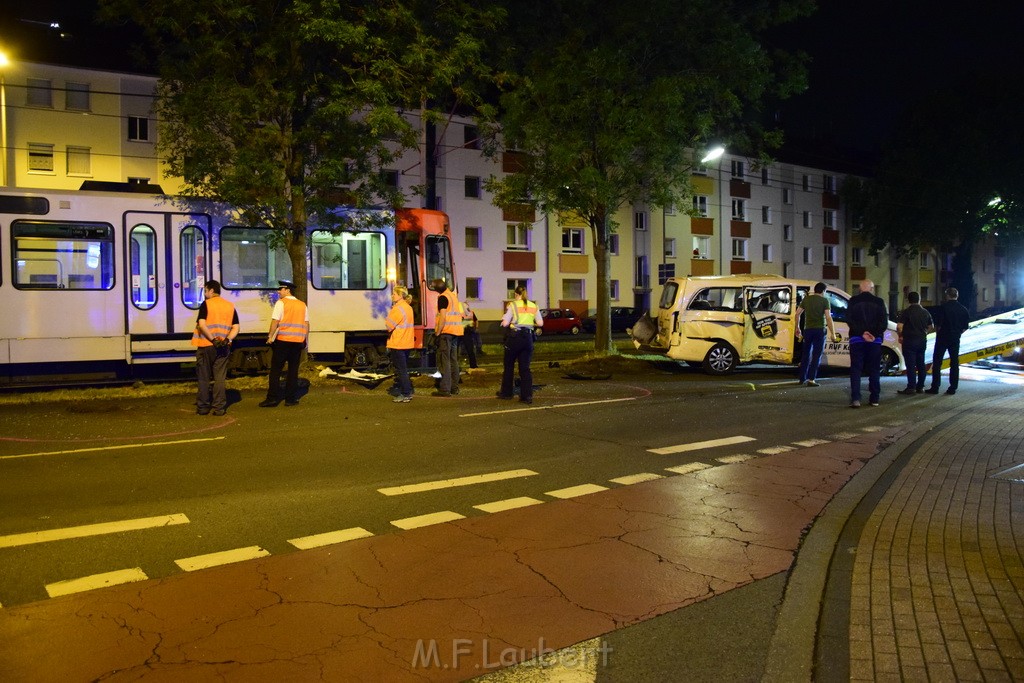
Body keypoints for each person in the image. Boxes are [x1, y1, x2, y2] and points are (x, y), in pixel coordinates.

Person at [191, 280, 239, 415]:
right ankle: (219, 408)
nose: (205, 294)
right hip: (223, 347)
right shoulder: (230, 306)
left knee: (204, 378)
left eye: (205, 291)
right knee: (219, 378)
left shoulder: (206, 304)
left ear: (211, 291)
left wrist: (212, 339)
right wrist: (227, 339)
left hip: (206, 345)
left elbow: (201, 324)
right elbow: (236, 327)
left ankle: (203, 407)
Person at [260, 280, 309, 407]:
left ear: (288, 290)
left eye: (281, 289)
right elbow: (306, 324)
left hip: (283, 342)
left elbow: (275, 321)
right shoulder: (302, 305)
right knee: (293, 372)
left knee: (275, 371)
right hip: (297, 343)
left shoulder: (281, 303)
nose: (278, 291)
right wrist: (305, 341)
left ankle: (272, 399)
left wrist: (270, 336)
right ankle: (290, 399)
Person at [497, 286, 544, 404]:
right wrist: (528, 323)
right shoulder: (533, 306)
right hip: (528, 337)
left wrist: (504, 322)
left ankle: (507, 393)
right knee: (525, 368)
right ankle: (527, 396)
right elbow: (540, 323)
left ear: (516, 295)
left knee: (509, 366)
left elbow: (506, 322)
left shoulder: (513, 305)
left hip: (514, 337)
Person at [846, 279, 888, 408]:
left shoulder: (853, 301)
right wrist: (873, 334)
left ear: (860, 288)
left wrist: (861, 333)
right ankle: (874, 398)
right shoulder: (879, 302)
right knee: (874, 369)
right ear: (872, 289)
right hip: (874, 341)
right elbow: (883, 323)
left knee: (856, 369)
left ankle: (856, 399)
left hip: (856, 340)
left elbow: (849, 320)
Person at [926, 287, 971, 395]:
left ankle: (935, 387)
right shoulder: (963, 309)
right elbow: (965, 327)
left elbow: (938, 325)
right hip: (955, 338)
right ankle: (953, 388)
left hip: (942, 338)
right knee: (954, 363)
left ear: (947, 295)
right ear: (957, 296)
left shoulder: (943, 308)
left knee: (937, 362)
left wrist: (939, 332)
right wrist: (958, 333)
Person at [795, 282, 838, 387]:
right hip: (819, 330)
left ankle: (802, 378)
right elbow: (828, 317)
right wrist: (833, 333)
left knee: (805, 354)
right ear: (823, 291)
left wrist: (797, 328)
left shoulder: (807, 299)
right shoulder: (824, 301)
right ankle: (811, 379)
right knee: (816, 355)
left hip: (808, 330)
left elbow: (797, 314)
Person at [430, 278, 466, 397]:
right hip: (456, 332)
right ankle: (454, 387)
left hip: (446, 332)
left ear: (437, 289)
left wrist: (437, 333)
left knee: (444, 360)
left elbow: (443, 317)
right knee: (453, 360)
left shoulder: (443, 298)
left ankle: (445, 389)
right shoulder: (453, 296)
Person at [896, 291, 934, 395]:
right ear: (919, 299)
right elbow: (931, 327)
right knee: (921, 363)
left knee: (910, 364)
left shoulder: (906, 312)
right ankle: (920, 386)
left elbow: (899, 326)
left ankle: (911, 387)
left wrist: (901, 336)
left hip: (909, 340)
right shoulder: (926, 312)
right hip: (921, 340)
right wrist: (925, 332)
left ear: (908, 300)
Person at [386, 285, 415, 403]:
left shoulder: (397, 309)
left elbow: (389, 326)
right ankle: (406, 391)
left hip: (398, 343)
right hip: (407, 343)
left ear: (400, 295)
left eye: (394, 293)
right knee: (404, 369)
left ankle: (406, 393)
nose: (392, 295)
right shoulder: (408, 307)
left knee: (401, 370)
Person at [462, 305, 481, 369]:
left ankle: (473, 365)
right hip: (468, 332)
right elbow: (475, 320)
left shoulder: (461, 313)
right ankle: (473, 366)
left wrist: (476, 328)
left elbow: (476, 320)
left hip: (463, 331)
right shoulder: (471, 313)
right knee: (470, 350)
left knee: (469, 349)